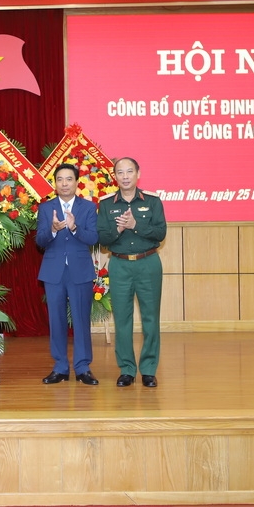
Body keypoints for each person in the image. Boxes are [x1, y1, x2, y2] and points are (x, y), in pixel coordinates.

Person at [97, 157, 167, 388]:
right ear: (114, 176)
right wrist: (118, 228)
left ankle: (148, 370)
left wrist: (135, 225)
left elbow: (160, 233)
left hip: (148, 264)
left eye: (129, 171)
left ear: (138, 173)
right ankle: (127, 369)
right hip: (119, 265)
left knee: (150, 318)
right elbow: (103, 240)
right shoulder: (106, 204)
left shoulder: (153, 201)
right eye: (120, 172)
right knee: (122, 320)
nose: (125, 176)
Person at [36, 163, 100, 385]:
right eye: (60, 179)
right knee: (56, 321)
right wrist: (53, 230)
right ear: (55, 183)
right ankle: (60, 367)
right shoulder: (46, 208)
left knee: (81, 320)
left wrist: (74, 228)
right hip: (53, 272)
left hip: (80, 271)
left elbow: (93, 239)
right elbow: (39, 241)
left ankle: (83, 368)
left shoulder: (88, 208)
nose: (64, 183)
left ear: (76, 182)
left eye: (69, 179)